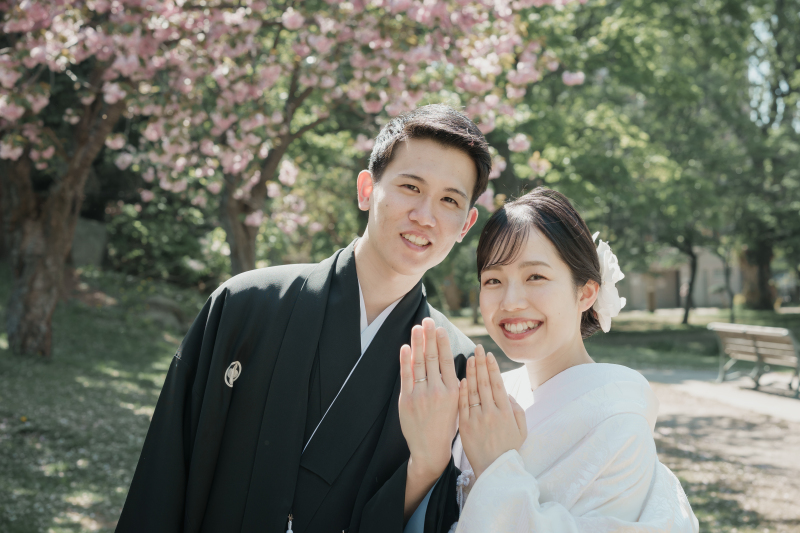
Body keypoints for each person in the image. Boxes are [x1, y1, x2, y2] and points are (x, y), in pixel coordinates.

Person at [116, 104, 490, 533]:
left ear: (466, 224)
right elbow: (164, 474)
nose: (425, 215)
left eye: (449, 200)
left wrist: (428, 464)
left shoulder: (455, 368)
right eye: (411, 186)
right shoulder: (246, 306)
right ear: (366, 189)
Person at [408, 188, 699, 532]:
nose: (511, 301)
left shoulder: (619, 418)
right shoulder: (493, 395)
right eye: (493, 280)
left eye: (535, 276)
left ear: (586, 292)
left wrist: (496, 467)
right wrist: (429, 455)